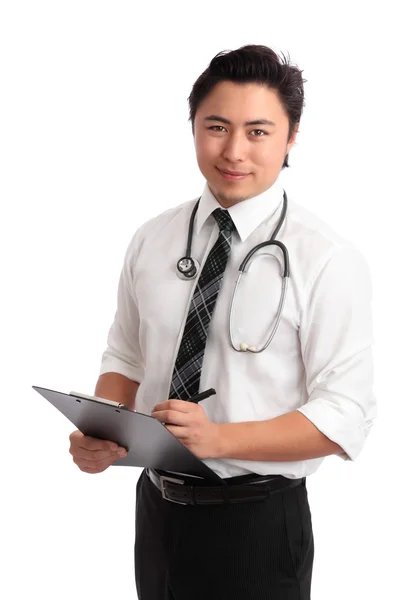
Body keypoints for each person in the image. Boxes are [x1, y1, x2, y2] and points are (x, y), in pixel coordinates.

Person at [69, 44, 376, 599]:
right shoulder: (153, 238)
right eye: (216, 126)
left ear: (292, 135)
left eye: (258, 131)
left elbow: (345, 415)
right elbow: (126, 357)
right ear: (193, 127)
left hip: (258, 524)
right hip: (157, 513)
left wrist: (217, 440)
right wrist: (106, 427)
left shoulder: (326, 258)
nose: (234, 151)